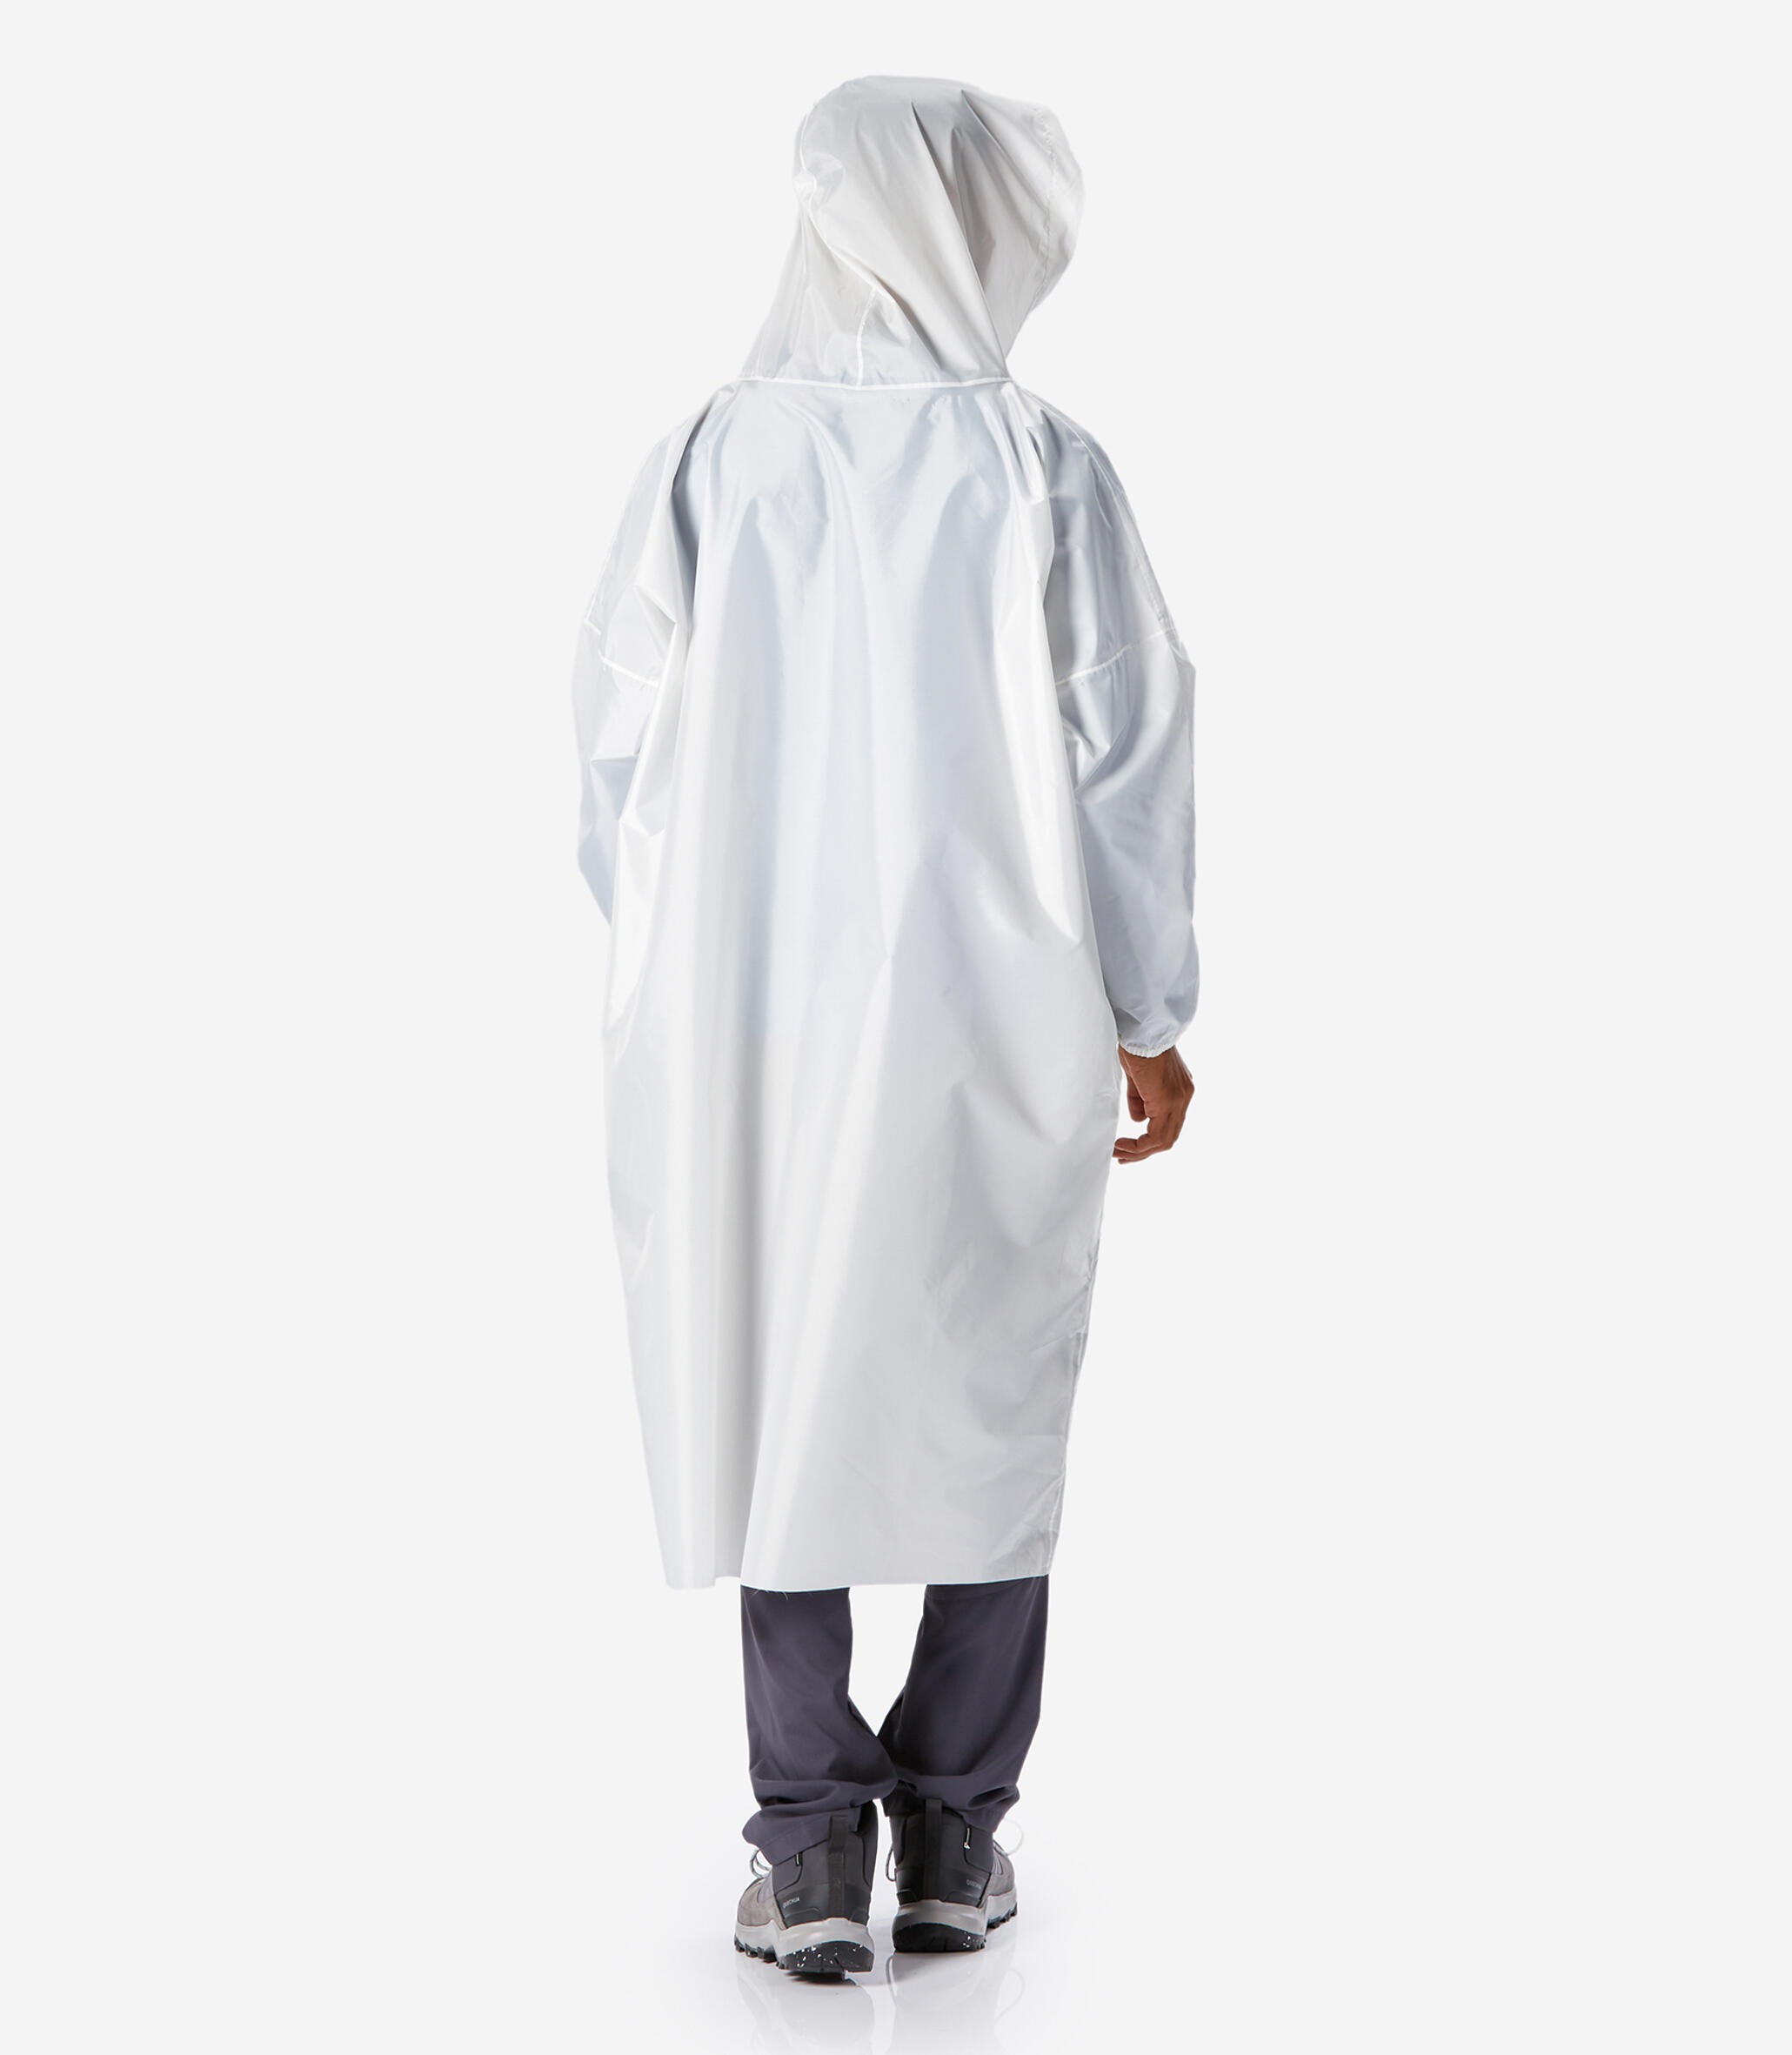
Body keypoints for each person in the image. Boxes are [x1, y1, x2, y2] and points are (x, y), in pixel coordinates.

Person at [571, 76, 1196, 1974]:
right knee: (985, 1396)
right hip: (994, 1014)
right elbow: (1130, 743)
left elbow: (615, 748)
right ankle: (950, 1830)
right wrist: (1144, 1003)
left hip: (752, 1026)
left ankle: (808, 1848)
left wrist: (678, 959)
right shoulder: (1040, 463)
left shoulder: (711, 453)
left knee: (783, 1387)